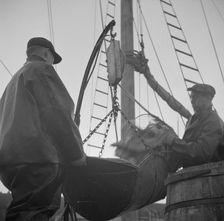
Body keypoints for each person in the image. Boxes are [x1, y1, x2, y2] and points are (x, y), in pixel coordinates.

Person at [0, 37, 86, 220]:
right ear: (46, 53)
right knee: (34, 214)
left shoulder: (12, 83)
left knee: (21, 211)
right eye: (52, 59)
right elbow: (56, 112)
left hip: (9, 164)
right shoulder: (41, 69)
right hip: (38, 160)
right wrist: (75, 154)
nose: (52, 63)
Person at [126, 51, 224, 169]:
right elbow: (170, 101)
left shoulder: (213, 121)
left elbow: (201, 152)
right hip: (191, 174)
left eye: (196, 97)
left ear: (209, 98)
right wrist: (148, 75)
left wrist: (172, 141)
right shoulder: (192, 119)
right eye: (192, 97)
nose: (192, 101)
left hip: (208, 178)